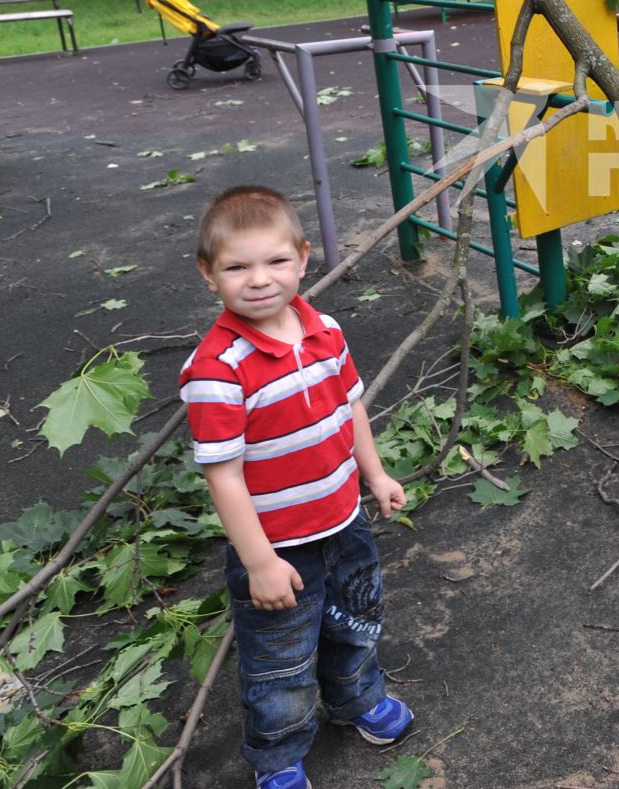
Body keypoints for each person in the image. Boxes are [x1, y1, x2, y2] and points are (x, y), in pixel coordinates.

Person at [179, 186, 415, 789]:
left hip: (345, 521)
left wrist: (376, 474)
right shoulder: (218, 370)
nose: (259, 280)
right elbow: (222, 474)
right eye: (237, 267)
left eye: (275, 262)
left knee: (357, 621)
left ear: (304, 258)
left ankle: (355, 699)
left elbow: (351, 409)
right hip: (279, 547)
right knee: (278, 661)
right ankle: (279, 756)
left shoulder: (325, 330)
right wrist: (259, 562)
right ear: (209, 274)